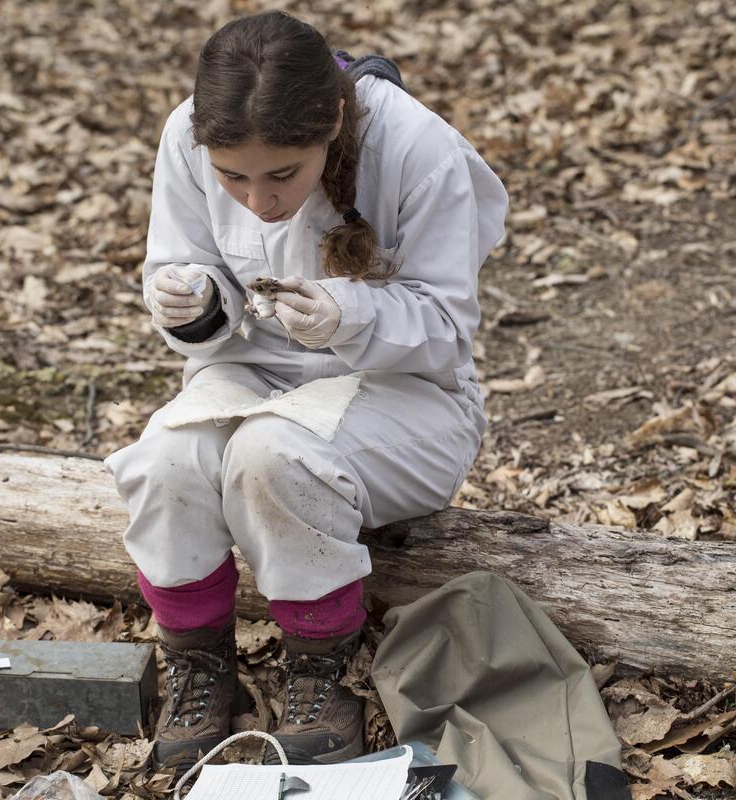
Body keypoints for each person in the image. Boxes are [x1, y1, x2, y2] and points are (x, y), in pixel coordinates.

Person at [103, 10, 508, 770]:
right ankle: (200, 667)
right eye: (234, 177)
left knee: (270, 456)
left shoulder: (417, 148)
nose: (258, 201)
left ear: (331, 126)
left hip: (407, 395)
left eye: (283, 174)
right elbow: (182, 263)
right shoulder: (187, 132)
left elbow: (448, 326)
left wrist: (346, 314)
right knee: (163, 460)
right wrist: (193, 305)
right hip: (251, 374)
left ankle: (321, 673)